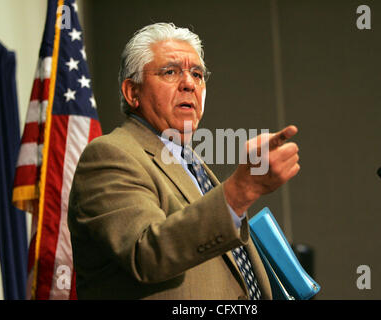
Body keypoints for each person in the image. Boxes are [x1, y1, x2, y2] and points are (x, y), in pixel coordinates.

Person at [68, 22, 300, 300]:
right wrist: (240, 191)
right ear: (133, 92)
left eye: (197, 74)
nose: (189, 84)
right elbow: (146, 253)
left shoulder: (192, 163)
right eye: (170, 72)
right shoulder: (109, 155)